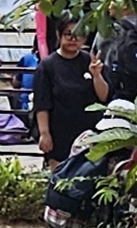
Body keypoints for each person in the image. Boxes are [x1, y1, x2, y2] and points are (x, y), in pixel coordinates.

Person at [33, 16, 99, 162]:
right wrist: (44, 133)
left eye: (78, 35)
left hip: (87, 133)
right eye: (68, 34)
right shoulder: (47, 66)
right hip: (59, 132)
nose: (73, 39)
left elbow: (103, 96)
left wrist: (97, 76)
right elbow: (42, 103)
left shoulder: (89, 61)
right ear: (59, 35)